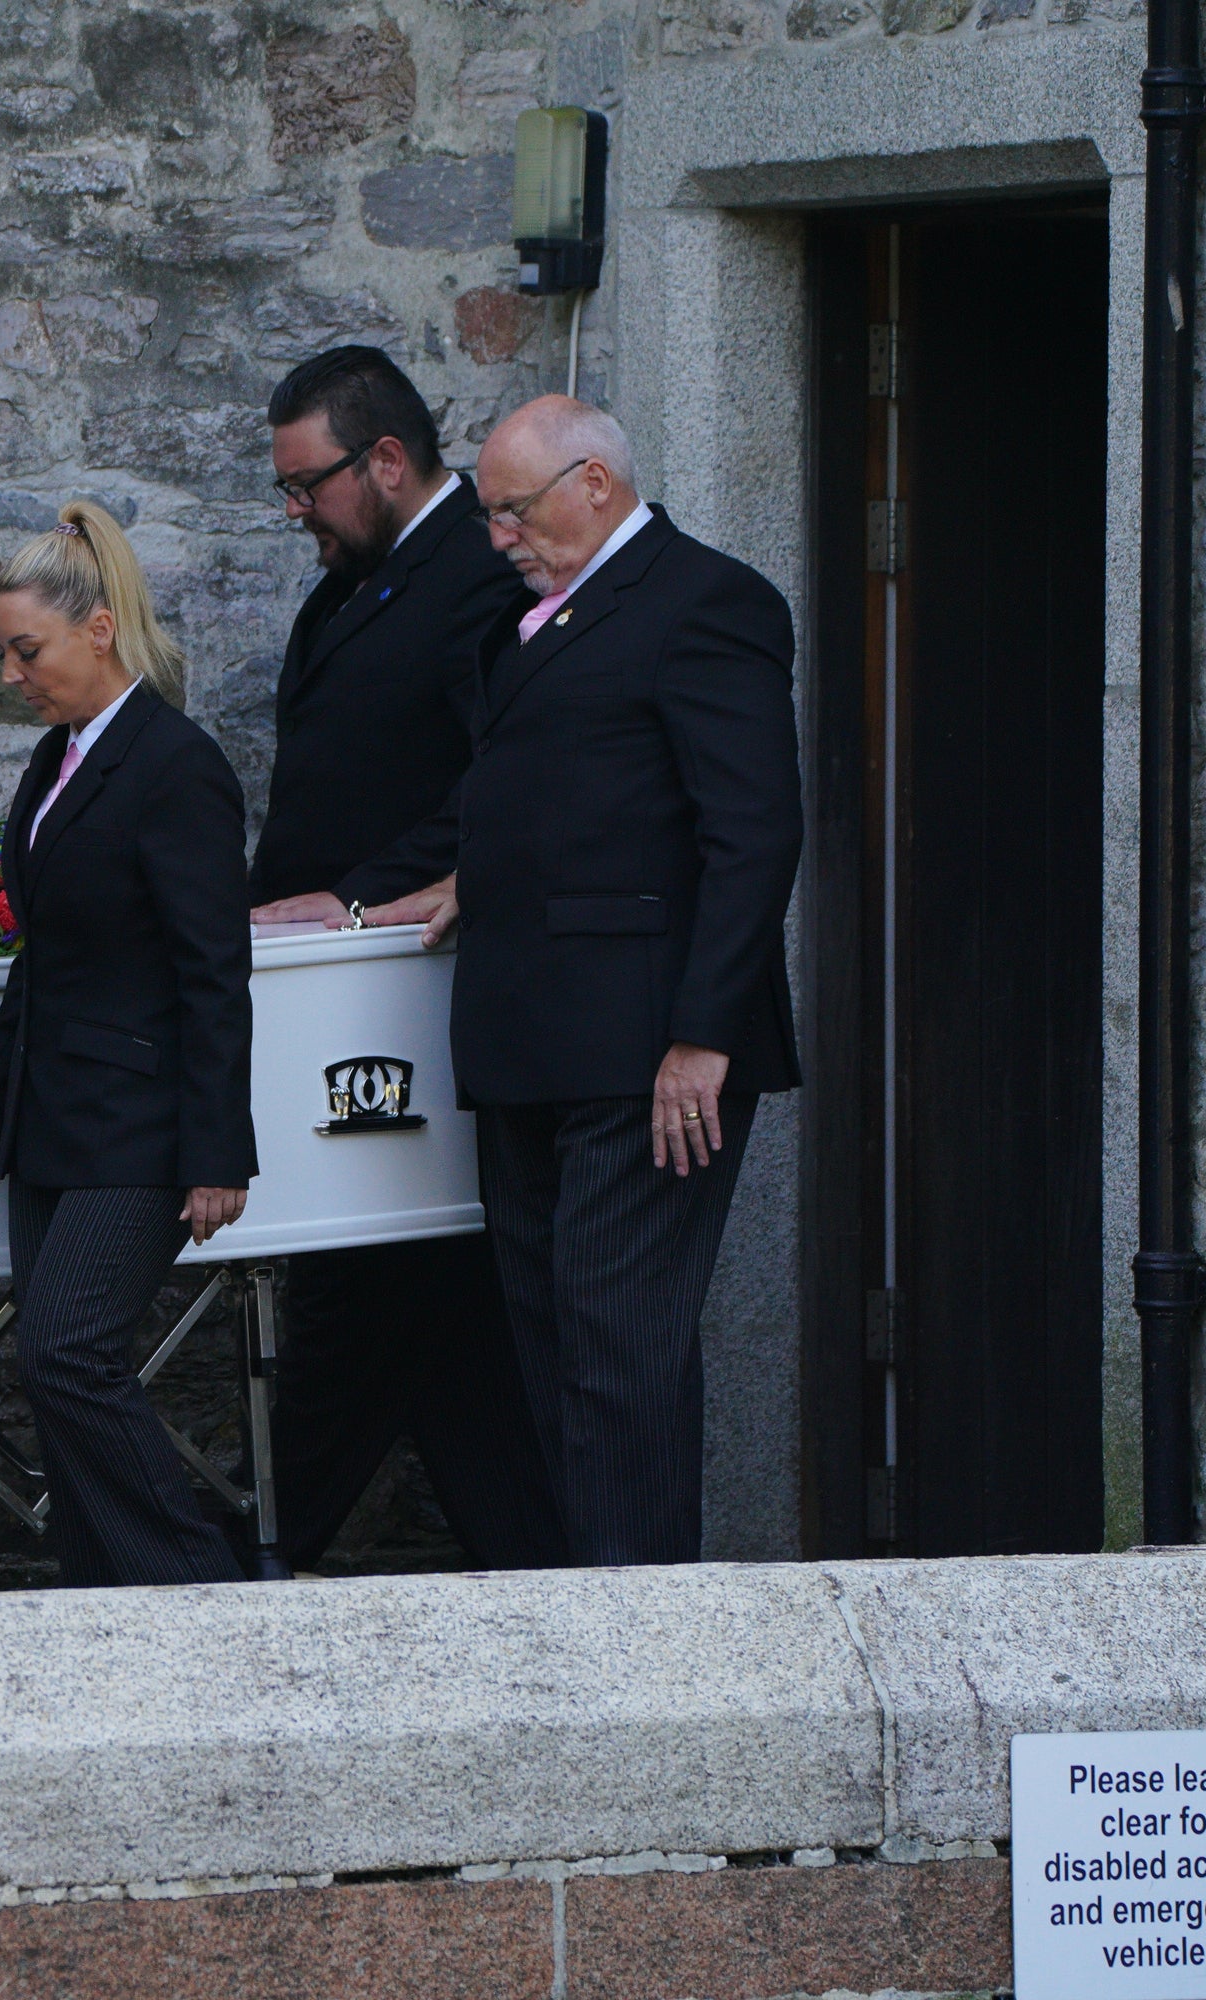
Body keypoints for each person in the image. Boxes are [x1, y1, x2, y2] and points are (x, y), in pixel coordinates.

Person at [380, 395, 803, 1566]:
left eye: (513, 510)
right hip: (529, 1037)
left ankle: (643, 1625)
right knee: (551, 1337)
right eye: (490, 514)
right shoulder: (535, 621)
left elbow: (752, 831)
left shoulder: (707, 601)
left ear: (596, 486)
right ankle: (589, 1602)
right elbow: (580, 790)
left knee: (621, 1343)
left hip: (647, 1045)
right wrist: (480, 872)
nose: (498, 535)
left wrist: (705, 1034)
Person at [239, 346, 568, 1575]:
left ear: (385, 459)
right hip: (337, 995)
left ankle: (261, 1558)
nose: (294, 511)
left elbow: (499, 783)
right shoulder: (349, 587)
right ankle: (534, 1558)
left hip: (407, 990)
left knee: (386, 1300)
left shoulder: (475, 585)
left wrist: (364, 895)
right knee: (418, 1315)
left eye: (307, 483)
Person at [0, 503, 253, 1590]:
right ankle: (108, 1603)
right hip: (50, 1118)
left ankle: (199, 1584)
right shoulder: (56, 762)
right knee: (49, 1364)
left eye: (30, 650)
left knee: (68, 1352)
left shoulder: (176, 764)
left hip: (139, 1124)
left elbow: (213, 968)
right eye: (4, 652)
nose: (14, 674)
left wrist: (215, 1149)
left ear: (100, 628)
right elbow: (45, 951)